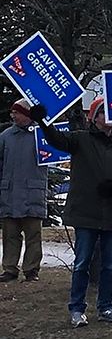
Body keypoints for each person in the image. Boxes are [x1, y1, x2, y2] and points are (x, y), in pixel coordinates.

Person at [31, 99, 112, 328]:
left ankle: (107, 307)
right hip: (86, 213)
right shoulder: (80, 139)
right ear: (94, 117)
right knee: (82, 263)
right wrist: (42, 121)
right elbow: (56, 139)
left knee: (110, 265)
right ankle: (76, 308)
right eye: (103, 112)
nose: (108, 116)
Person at [0, 99, 48, 283]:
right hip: (10, 193)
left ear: (27, 115)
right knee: (10, 234)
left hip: (33, 193)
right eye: (12, 112)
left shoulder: (41, 135)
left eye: (17, 112)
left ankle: (31, 270)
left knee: (33, 236)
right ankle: (10, 268)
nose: (13, 116)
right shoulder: (5, 136)